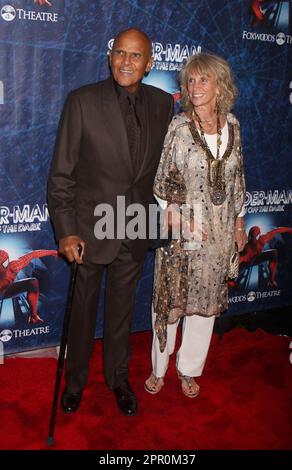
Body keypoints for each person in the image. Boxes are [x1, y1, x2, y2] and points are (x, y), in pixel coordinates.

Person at [48, 28, 174, 416]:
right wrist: (67, 230)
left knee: (121, 309)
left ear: (149, 63)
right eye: (120, 53)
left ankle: (119, 379)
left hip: (135, 222)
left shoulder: (163, 103)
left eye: (136, 56)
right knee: (84, 310)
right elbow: (61, 175)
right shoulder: (83, 101)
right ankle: (75, 382)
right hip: (91, 225)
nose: (126, 61)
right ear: (110, 57)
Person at [145, 52, 247, 398]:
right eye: (190, 80)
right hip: (183, 234)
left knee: (204, 310)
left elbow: (237, 182)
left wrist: (238, 223)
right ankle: (159, 368)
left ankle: (188, 369)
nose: (195, 86)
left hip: (219, 235)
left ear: (221, 86)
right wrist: (178, 212)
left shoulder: (232, 125)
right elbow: (163, 179)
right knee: (171, 304)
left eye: (203, 79)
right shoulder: (179, 127)